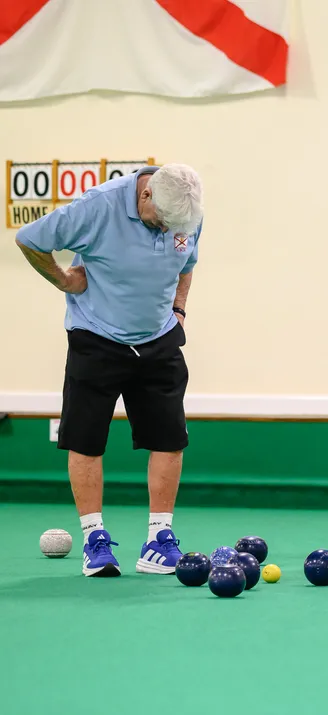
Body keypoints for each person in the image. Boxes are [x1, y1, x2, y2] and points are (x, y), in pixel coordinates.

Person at [15, 164, 204, 577]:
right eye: (163, 222)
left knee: (170, 439)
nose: (168, 230)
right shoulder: (97, 206)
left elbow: (186, 264)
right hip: (97, 336)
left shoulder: (186, 209)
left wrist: (179, 310)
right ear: (145, 197)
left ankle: (159, 538)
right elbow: (29, 239)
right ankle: (94, 540)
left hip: (158, 338)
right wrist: (64, 280)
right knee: (86, 440)